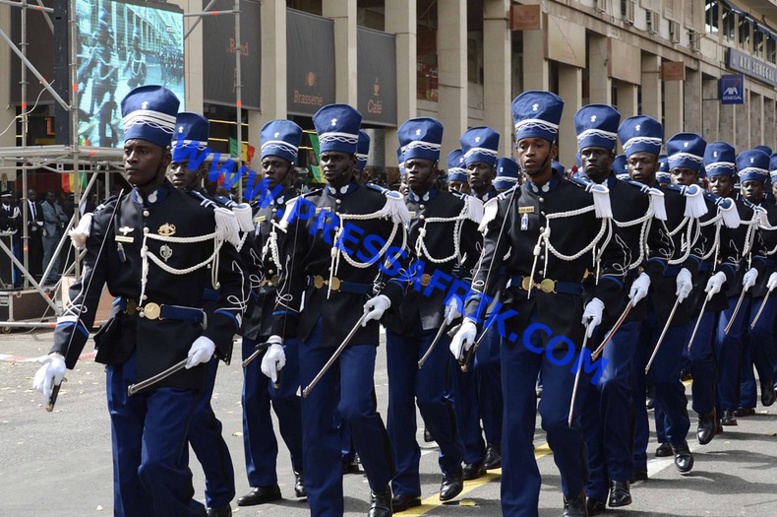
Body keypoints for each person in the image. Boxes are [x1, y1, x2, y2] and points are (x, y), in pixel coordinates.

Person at [32, 85, 248, 516]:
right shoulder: (108, 217)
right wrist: (59, 354)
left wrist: (217, 334)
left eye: (143, 151)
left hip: (178, 356)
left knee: (157, 466)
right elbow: (87, 291)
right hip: (124, 350)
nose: (131, 158)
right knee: (127, 471)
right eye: (128, 149)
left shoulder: (203, 217)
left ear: (167, 158)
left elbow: (234, 289)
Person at [450, 90, 629, 517]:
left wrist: (602, 299)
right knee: (515, 426)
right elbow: (489, 264)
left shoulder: (584, 199)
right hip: (517, 319)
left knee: (559, 420)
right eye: (523, 146)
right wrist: (473, 318)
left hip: (567, 320)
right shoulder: (507, 203)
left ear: (554, 149)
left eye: (538, 146)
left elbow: (614, 257)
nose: (529, 154)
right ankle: (518, 509)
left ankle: (575, 485)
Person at [268, 103, 409, 517]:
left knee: (355, 408)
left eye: (337, 158)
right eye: (324, 157)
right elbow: (291, 274)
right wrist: (278, 332)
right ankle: (324, 507)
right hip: (314, 320)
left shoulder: (382, 204)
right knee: (315, 419)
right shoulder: (305, 206)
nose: (329, 165)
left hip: (358, 317)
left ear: (353, 160)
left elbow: (399, 260)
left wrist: (388, 293)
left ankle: (381, 485)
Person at [572, 104, 672, 514]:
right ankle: (594, 483)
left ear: (613, 156)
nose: (592, 159)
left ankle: (619, 474)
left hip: (623, 308)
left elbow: (663, 246)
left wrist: (650, 272)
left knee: (613, 384)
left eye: (600, 152)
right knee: (583, 398)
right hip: (575, 310)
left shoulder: (636, 196)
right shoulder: (568, 196)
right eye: (586, 152)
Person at [383, 117, 480, 511]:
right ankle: (405, 483)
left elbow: (475, 262)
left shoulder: (457, 208)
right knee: (399, 404)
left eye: (420, 165)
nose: (412, 171)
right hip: (400, 316)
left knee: (429, 398)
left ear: (434, 169)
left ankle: (451, 458)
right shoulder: (392, 207)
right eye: (407, 164)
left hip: (439, 317)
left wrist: (460, 296)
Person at [621, 120, 708, 479]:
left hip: (669, 300)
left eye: (645, 161)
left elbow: (699, 242)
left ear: (658, 163)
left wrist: (689, 268)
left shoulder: (677, 199)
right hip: (627, 302)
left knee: (665, 376)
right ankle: (636, 454)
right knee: (631, 380)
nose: (638, 168)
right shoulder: (616, 199)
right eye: (632, 162)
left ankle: (677, 439)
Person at [169, 111, 241, 517]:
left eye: (187, 163)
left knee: (196, 414)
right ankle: (180, 498)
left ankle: (219, 496)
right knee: (170, 421)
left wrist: (217, 330)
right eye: (174, 163)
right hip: (163, 331)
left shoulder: (220, 213)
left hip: (204, 329)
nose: (179, 171)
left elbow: (237, 281)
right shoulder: (154, 210)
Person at [237, 119, 306, 506]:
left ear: (291, 170)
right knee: (252, 402)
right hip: (255, 318)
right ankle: (263, 479)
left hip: (290, 317)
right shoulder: (256, 210)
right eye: (265, 164)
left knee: (283, 397)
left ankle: (304, 468)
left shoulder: (307, 209)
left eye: (277, 165)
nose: (269, 171)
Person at [450, 127, 504, 482]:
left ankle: (497, 442)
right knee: (460, 373)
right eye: (470, 167)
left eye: (482, 167)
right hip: (461, 296)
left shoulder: (507, 203)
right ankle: (471, 447)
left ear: (493, 170)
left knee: (488, 367)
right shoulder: (455, 208)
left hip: (499, 296)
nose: (474, 173)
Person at [40, 190, 68, 286]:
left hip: (57, 233)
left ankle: (54, 277)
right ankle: (46, 277)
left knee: (57, 256)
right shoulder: (43, 206)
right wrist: (58, 218)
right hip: (48, 233)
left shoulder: (58, 206)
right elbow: (49, 218)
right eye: (50, 196)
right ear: (46, 196)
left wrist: (58, 217)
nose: (52, 198)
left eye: (53, 196)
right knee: (47, 256)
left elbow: (65, 218)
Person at [0, 191, 22, 288]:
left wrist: (9, 220)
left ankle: (17, 282)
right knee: (5, 261)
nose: (9, 199)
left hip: (14, 238)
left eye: (10, 197)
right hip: (3, 238)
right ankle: (6, 281)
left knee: (16, 259)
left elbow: (19, 222)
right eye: (7, 197)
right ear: (3, 199)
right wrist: (10, 220)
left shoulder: (15, 209)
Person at [26, 188, 44, 281]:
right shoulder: (23, 205)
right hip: (27, 234)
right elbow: (23, 220)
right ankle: (27, 277)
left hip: (36, 234)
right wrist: (30, 223)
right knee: (27, 257)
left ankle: (34, 277)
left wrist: (38, 224)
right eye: (31, 195)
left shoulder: (38, 206)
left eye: (35, 195)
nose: (33, 197)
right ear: (28, 195)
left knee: (35, 256)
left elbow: (42, 220)